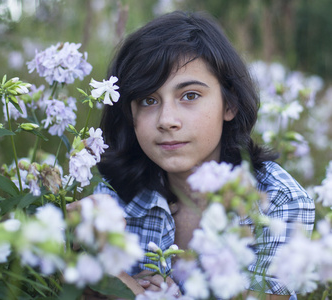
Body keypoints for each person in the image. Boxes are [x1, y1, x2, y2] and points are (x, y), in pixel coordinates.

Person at [93, 10, 315, 299]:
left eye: (190, 96)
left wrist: (126, 286)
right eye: (149, 100)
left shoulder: (278, 200)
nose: (167, 120)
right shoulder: (116, 193)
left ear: (230, 104)